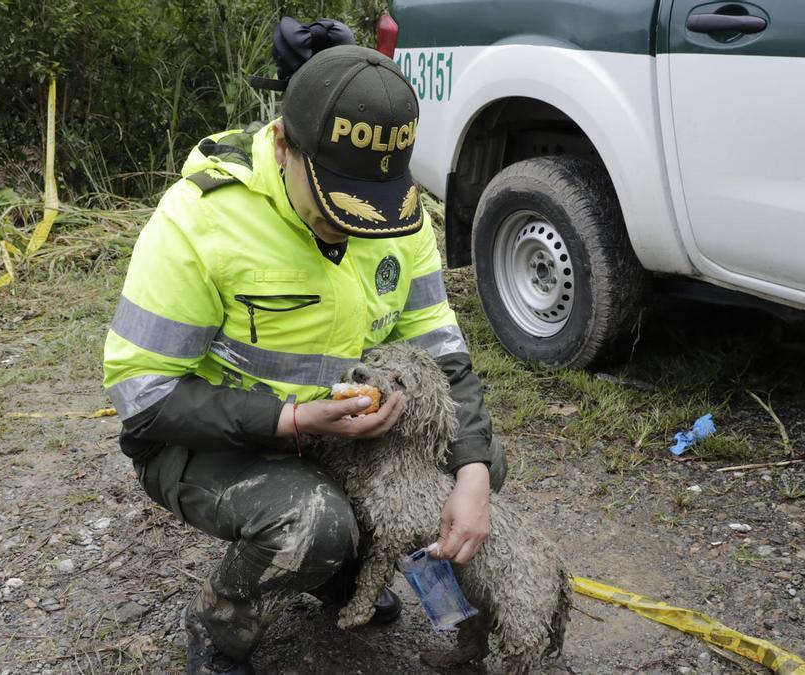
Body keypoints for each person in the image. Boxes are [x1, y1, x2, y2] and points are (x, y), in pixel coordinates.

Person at [102, 39, 505, 675]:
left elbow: (442, 353)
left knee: (470, 469)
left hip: (335, 435)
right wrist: (292, 420)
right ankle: (222, 625)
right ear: (284, 144)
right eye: (334, 204)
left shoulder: (396, 215)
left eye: (369, 207)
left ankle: (335, 579)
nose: (350, 227)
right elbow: (145, 401)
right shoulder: (199, 219)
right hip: (208, 439)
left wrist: (476, 471)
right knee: (313, 523)